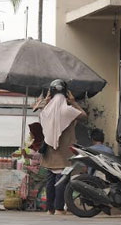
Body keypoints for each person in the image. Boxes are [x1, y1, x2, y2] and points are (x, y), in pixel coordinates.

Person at [35, 79, 87, 215]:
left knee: (50, 180)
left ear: (50, 93)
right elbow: (84, 116)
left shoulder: (45, 111)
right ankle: (59, 208)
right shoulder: (68, 110)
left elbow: (39, 112)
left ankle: (50, 209)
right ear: (66, 93)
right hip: (64, 153)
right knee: (62, 180)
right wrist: (73, 101)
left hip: (49, 152)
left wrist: (47, 101)